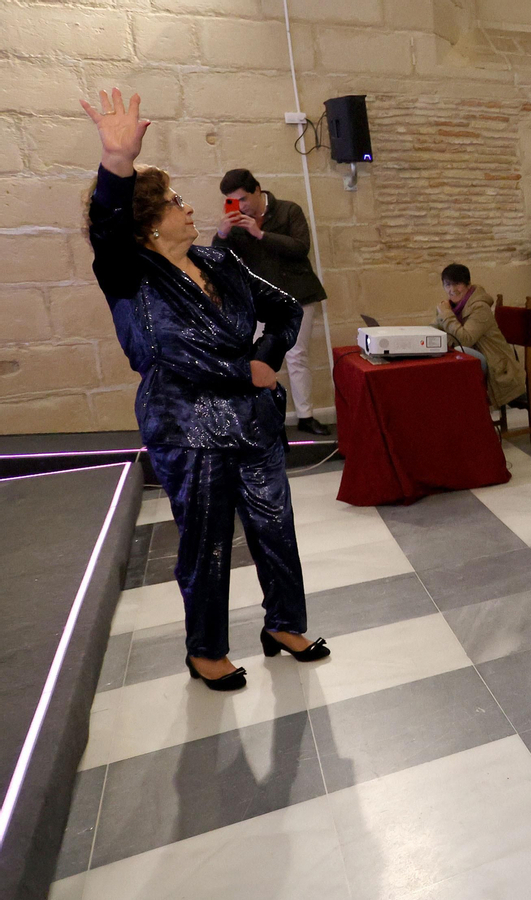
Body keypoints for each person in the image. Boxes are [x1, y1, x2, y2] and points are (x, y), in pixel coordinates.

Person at [82, 88, 329, 692]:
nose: (188, 207)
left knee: (275, 525)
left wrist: (266, 357)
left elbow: (287, 304)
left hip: (252, 420)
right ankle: (206, 650)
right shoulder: (129, 271)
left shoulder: (219, 260)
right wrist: (116, 163)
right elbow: (107, 233)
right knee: (208, 543)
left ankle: (284, 625)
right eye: (173, 201)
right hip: (189, 427)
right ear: (145, 222)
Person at [213, 168, 330, 435]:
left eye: (243, 199)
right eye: (233, 201)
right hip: (260, 301)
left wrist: (261, 233)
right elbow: (219, 262)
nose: (239, 206)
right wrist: (221, 233)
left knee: (297, 356)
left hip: (298, 294)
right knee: (258, 359)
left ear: (257, 190)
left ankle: (306, 415)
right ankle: (263, 420)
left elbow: (301, 247)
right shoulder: (235, 223)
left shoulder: (289, 210)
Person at [433, 264, 524, 411]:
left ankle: (470, 415)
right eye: (447, 285)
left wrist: (446, 315)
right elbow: (436, 330)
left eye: (457, 284)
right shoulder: (451, 307)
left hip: (498, 368)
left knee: (460, 353)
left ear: (468, 284)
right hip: (481, 361)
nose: (452, 289)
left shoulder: (480, 307)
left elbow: (465, 340)